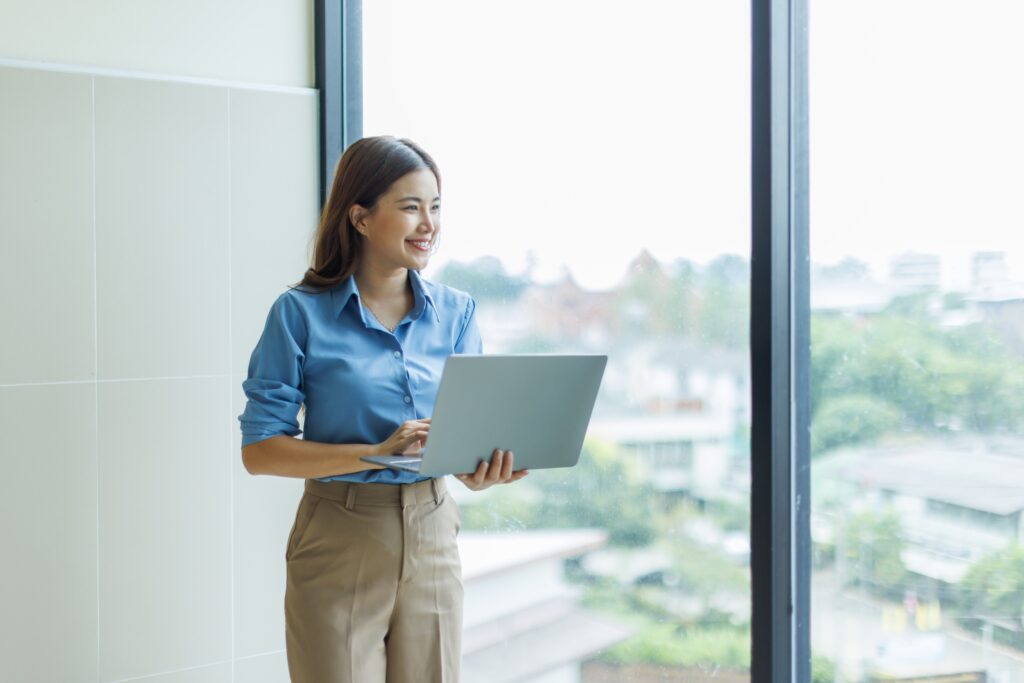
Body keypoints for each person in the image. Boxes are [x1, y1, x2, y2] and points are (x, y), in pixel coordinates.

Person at [237, 135, 528, 683]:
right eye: (411, 207)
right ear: (361, 218)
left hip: (435, 529)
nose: (429, 224)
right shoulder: (299, 314)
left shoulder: (457, 313)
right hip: (340, 533)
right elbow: (260, 452)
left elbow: (468, 430)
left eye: (435, 207)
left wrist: (483, 468)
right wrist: (374, 452)